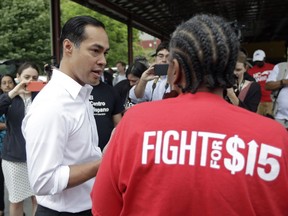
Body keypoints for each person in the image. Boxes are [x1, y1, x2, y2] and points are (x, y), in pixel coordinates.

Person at [91, 14, 288, 215]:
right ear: (231, 71)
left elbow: (103, 207)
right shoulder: (275, 138)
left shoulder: (135, 124)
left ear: (175, 71)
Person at [22, 15, 108, 215]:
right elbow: (43, 181)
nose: (103, 61)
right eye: (95, 50)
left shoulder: (81, 93)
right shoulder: (52, 104)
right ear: (68, 47)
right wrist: (105, 162)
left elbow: (81, 154)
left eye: (105, 53)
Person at [0, 63, 39, 216]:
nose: (30, 80)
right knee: (16, 200)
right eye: (26, 77)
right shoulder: (10, 99)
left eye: (34, 77)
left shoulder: (41, 97)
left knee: (39, 199)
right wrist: (14, 91)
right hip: (14, 158)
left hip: (38, 157)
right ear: (18, 77)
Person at [89, 72, 124, 151]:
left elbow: (118, 124)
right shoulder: (77, 91)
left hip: (106, 149)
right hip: (81, 152)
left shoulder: (111, 91)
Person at [0, 74, 16, 216]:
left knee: (15, 187)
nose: (7, 85)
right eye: (4, 83)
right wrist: (7, 125)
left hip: (14, 148)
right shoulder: (3, 101)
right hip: (2, 147)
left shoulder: (18, 100)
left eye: (10, 82)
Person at [248, 49, 274, 116]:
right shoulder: (250, 71)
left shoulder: (273, 68)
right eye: (256, 61)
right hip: (258, 102)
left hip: (271, 101)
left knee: (271, 121)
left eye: (259, 61)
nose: (258, 63)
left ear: (264, 59)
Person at [266, 62, 288, 129]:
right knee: (278, 138)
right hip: (279, 116)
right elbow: (268, 86)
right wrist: (283, 81)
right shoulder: (280, 66)